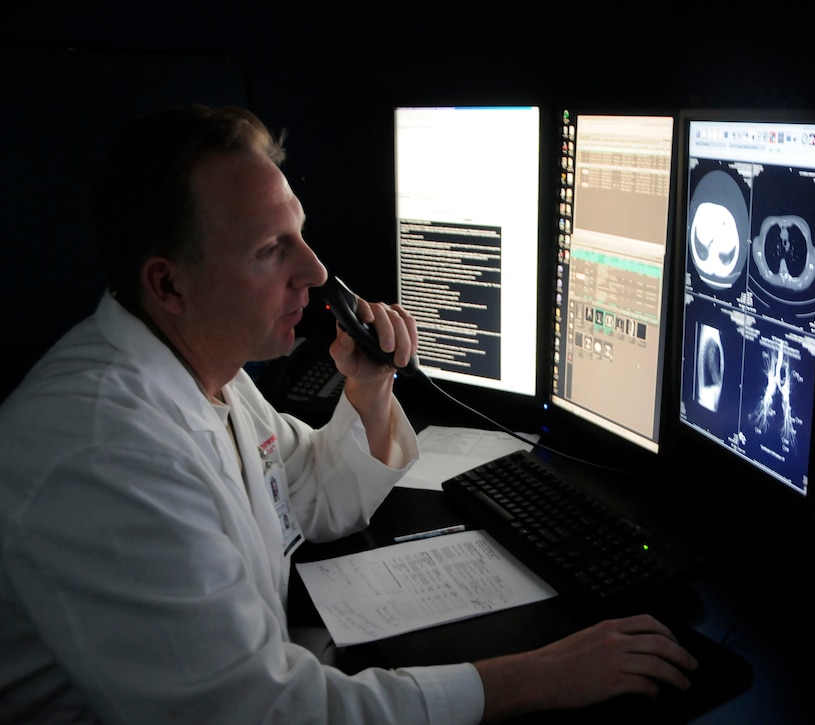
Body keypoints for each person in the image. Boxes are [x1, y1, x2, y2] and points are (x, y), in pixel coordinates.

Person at [0, 105, 697, 723]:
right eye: (271, 250)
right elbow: (258, 713)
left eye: (299, 233)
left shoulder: (204, 372)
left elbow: (306, 496)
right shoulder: (107, 454)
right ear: (167, 283)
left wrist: (368, 393)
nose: (314, 269)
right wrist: (531, 677)